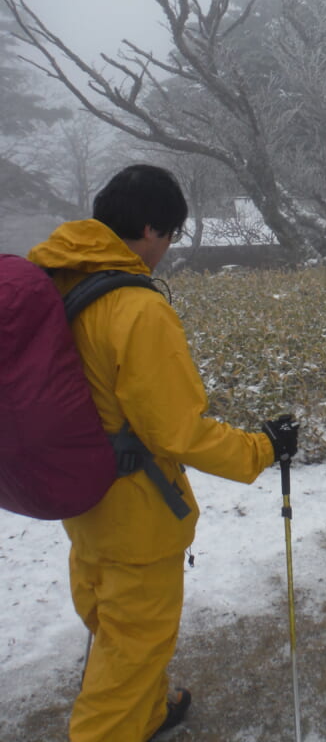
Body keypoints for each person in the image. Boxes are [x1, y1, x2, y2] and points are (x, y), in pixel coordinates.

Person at [26, 164, 299, 742]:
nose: (168, 250)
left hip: (81, 493)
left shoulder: (56, 279)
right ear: (149, 229)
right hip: (136, 508)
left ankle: (149, 714)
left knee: (112, 620)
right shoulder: (136, 308)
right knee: (132, 648)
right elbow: (179, 433)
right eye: (169, 236)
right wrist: (262, 449)